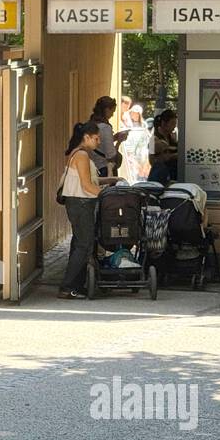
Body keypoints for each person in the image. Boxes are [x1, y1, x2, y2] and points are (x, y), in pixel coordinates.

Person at [57, 121, 108, 299]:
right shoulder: (82, 156)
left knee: (79, 243)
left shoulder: (78, 154)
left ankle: (76, 285)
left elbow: (86, 180)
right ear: (86, 137)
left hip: (78, 202)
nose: (99, 142)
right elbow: (87, 186)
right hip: (81, 203)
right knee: (84, 244)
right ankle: (68, 286)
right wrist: (105, 195)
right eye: (96, 138)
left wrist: (111, 180)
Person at [117, 103, 151, 184]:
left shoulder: (143, 125)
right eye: (133, 113)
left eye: (136, 113)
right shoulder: (127, 122)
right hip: (130, 148)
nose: (134, 115)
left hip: (140, 148)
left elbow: (146, 137)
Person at [88, 97, 122, 177]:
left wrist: (113, 138)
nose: (113, 114)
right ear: (106, 110)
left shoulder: (90, 125)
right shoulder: (105, 128)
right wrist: (119, 142)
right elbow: (111, 155)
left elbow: (98, 144)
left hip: (92, 169)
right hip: (105, 170)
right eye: (112, 111)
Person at [149, 109, 179, 184]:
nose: (174, 126)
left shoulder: (172, 138)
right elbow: (152, 161)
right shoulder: (153, 140)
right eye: (172, 123)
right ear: (164, 123)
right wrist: (172, 156)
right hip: (160, 178)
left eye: (175, 124)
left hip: (173, 176)